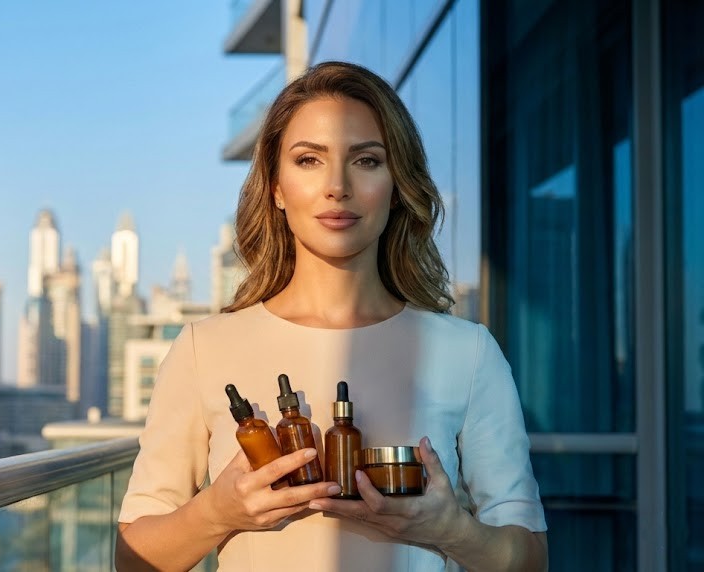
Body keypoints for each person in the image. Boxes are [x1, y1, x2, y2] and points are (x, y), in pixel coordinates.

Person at [115, 61, 548, 571]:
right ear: (275, 187)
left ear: (396, 184)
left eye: (366, 161)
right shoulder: (202, 349)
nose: (336, 186)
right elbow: (133, 559)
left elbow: (530, 558)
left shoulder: (468, 352)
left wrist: (452, 531)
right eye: (308, 160)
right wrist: (218, 511)